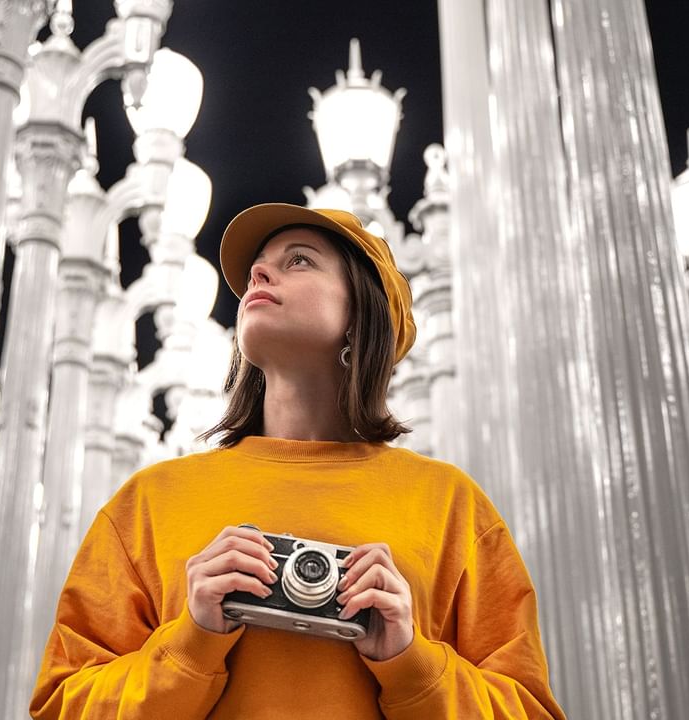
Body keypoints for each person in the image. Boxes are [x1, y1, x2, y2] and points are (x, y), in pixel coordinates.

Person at [28, 203, 565, 719]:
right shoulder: (147, 502)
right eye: (259, 268)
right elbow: (61, 704)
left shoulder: (452, 506)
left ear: (361, 313)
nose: (259, 272)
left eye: (299, 259)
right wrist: (192, 641)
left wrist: (410, 659)